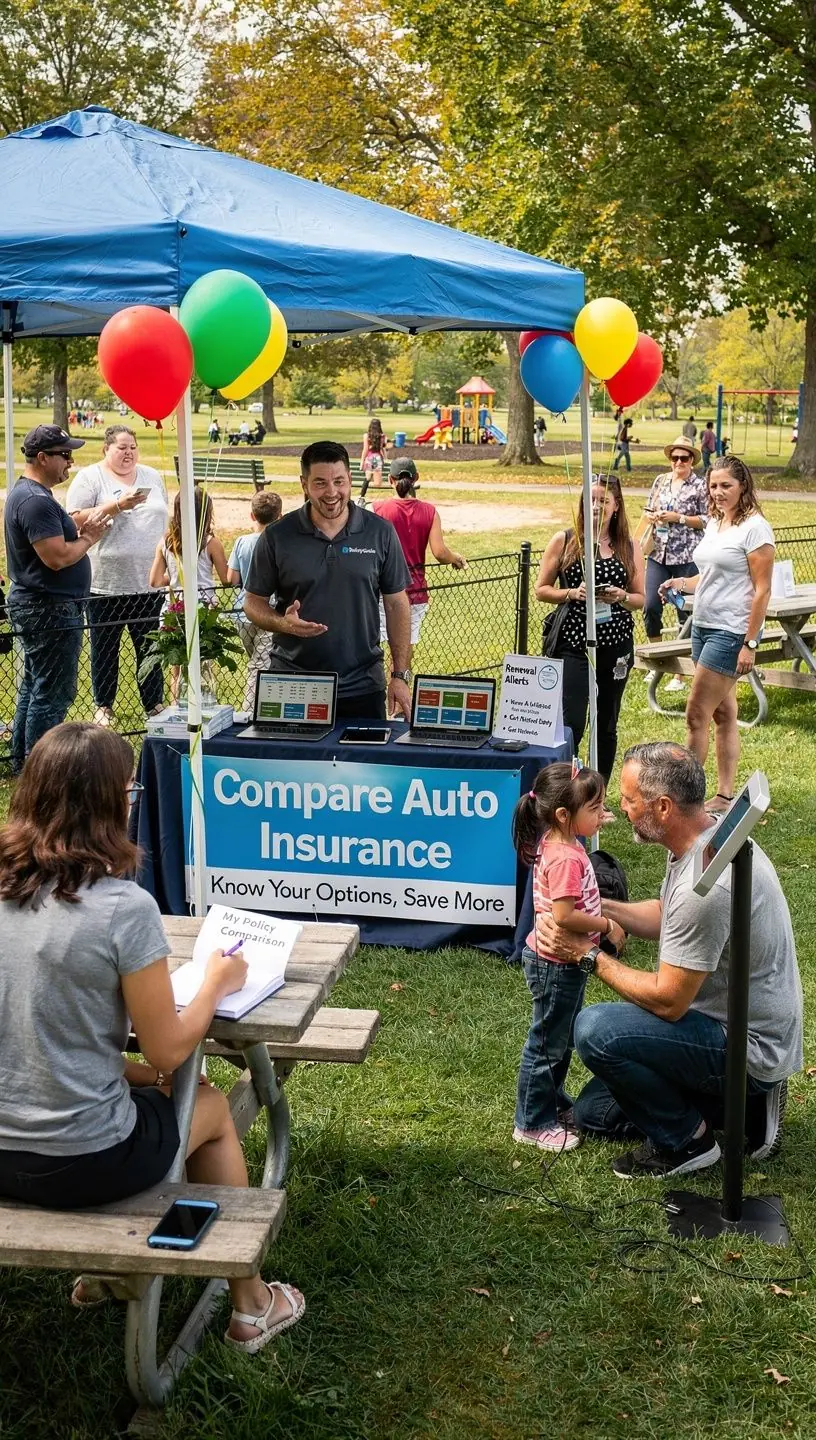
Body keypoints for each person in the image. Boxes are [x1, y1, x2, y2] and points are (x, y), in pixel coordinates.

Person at [0, 723, 305, 1349]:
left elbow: (41, 1031)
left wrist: (137, 1074)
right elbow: (167, 1047)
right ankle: (250, 1303)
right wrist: (218, 982)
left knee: (164, 1092)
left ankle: (119, 1269)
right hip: (83, 1159)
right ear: (112, 804)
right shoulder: (122, 908)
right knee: (213, 1107)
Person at [534, 742, 802, 1179]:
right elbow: (665, 914)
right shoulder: (706, 837)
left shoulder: (706, 890)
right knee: (593, 1112)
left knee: (597, 1031)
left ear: (662, 806)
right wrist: (599, 908)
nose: (619, 809)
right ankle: (743, 1112)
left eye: (628, 799)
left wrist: (585, 955)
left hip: (744, 1045)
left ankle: (688, 1142)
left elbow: (668, 1002)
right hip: (721, 1027)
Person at [243, 440, 413, 721]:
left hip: (362, 685)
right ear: (304, 484)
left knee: (362, 765)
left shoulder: (380, 532)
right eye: (320, 483)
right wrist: (281, 623)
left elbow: (397, 604)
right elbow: (252, 602)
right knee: (287, 765)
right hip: (292, 683)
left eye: (339, 481)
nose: (332, 492)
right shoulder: (277, 536)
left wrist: (399, 675)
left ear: (350, 479)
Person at [512, 763, 622, 1153]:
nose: (602, 815)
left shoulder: (564, 844)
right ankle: (532, 1122)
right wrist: (606, 925)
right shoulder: (566, 857)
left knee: (560, 1040)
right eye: (595, 808)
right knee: (547, 1043)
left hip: (565, 963)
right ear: (563, 815)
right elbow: (563, 915)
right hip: (554, 965)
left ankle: (553, 1102)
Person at [658, 455, 774, 815]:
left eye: (726, 485)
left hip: (731, 632)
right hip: (704, 626)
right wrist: (682, 583)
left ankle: (687, 801)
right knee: (723, 715)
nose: (719, 492)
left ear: (743, 486)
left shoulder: (756, 528)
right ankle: (724, 797)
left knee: (696, 714)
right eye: (713, 485)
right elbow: (708, 576)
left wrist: (749, 643)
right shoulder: (715, 523)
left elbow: (762, 591)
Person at [4, 425, 109, 771]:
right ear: (42, 457)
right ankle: (41, 771)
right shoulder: (35, 501)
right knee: (52, 695)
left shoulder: (31, 495)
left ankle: (23, 764)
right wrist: (89, 538)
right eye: (64, 455)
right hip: (48, 608)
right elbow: (58, 557)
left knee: (35, 687)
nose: (70, 461)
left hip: (41, 604)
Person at [534, 475, 644, 786]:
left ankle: (599, 791)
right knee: (572, 721)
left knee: (607, 721)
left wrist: (620, 596)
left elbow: (639, 599)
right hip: (574, 642)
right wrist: (570, 593)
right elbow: (541, 589)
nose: (596, 506)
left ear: (616, 506)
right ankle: (567, 789)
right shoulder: (566, 539)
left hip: (616, 643)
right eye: (591, 499)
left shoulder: (629, 546)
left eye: (603, 500)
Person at [67, 425, 169, 726]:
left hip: (147, 582)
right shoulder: (90, 477)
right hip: (106, 583)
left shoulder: (152, 475)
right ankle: (104, 705)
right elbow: (73, 518)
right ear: (106, 449)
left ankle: (154, 703)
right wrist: (117, 506)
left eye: (133, 447)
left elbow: (164, 518)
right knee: (105, 648)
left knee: (150, 646)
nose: (128, 453)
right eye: (122, 447)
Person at [372, 456, 466, 669]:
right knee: (405, 648)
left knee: (380, 645)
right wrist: (455, 558)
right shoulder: (430, 511)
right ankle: (401, 693)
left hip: (383, 589)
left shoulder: (376, 509)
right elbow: (440, 552)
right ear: (416, 478)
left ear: (390, 480)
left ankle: (388, 695)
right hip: (414, 591)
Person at [149, 488, 230, 700]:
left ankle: (177, 708)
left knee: (176, 669)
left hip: (173, 608)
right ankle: (202, 707)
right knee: (203, 667)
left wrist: (175, 580)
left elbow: (155, 580)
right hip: (203, 609)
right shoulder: (210, 543)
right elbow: (226, 579)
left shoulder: (166, 541)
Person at [642, 437, 708, 673]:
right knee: (650, 605)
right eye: (675, 458)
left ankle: (680, 670)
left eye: (684, 458)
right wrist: (652, 516)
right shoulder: (660, 481)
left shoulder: (700, 486)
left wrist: (678, 518)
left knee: (684, 611)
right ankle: (657, 663)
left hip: (687, 557)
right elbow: (649, 506)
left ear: (692, 461)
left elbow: (708, 519)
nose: (679, 462)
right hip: (658, 553)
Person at [227, 491, 283, 712]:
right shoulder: (278, 543)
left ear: (252, 515)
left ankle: (261, 706)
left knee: (259, 662)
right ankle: (250, 711)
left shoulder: (242, 542)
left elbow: (231, 579)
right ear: (280, 516)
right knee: (260, 666)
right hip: (268, 611)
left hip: (242, 612)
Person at [359, 418, 389, 500]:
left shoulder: (366, 436)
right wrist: (385, 458)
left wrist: (362, 462)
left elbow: (365, 449)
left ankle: (362, 496)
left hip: (369, 458)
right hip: (378, 459)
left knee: (368, 478)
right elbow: (382, 449)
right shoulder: (382, 436)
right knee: (378, 483)